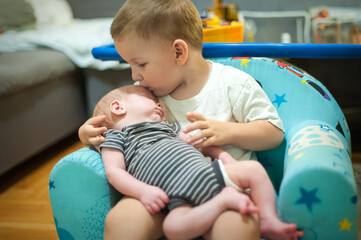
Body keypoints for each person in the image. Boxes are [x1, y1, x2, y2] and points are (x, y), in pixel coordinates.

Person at [79, 0, 304, 239]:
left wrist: (226, 132)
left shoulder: (233, 84)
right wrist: (88, 135)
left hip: (222, 187)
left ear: (178, 52)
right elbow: (116, 133)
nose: (135, 76)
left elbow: (273, 133)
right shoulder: (144, 93)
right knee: (122, 220)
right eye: (130, 65)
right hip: (159, 194)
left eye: (141, 64)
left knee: (238, 224)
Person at [94, 85, 303, 240]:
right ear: (118, 107)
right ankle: (221, 201)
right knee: (173, 229)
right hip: (176, 196)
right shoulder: (116, 137)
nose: (159, 105)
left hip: (213, 173)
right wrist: (142, 192)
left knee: (254, 170)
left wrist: (223, 156)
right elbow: (115, 172)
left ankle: (268, 219)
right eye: (150, 99)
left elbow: (199, 144)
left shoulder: (168, 128)